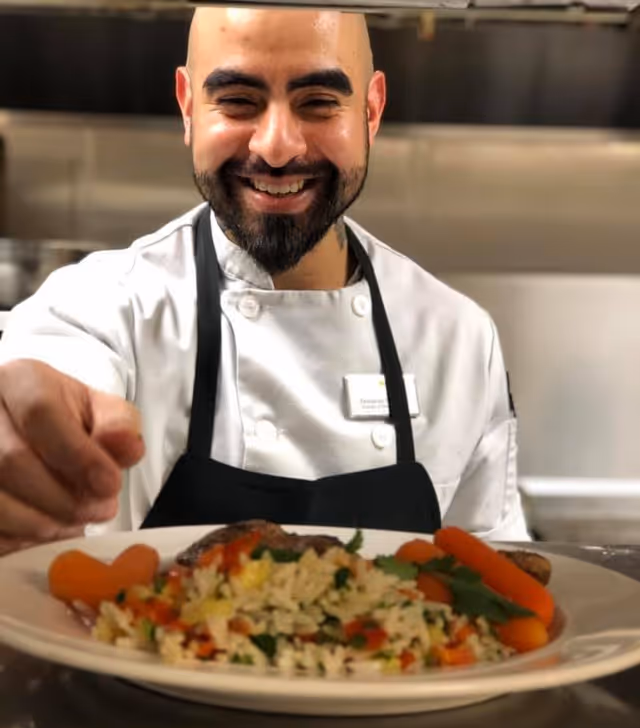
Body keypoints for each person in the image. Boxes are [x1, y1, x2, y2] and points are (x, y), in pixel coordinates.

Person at [0, 7, 528, 556]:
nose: (277, 147)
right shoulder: (103, 308)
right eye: (238, 102)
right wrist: (29, 428)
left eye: (319, 103)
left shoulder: (459, 338)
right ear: (187, 107)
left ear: (370, 112)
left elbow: (494, 581)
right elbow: (49, 373)